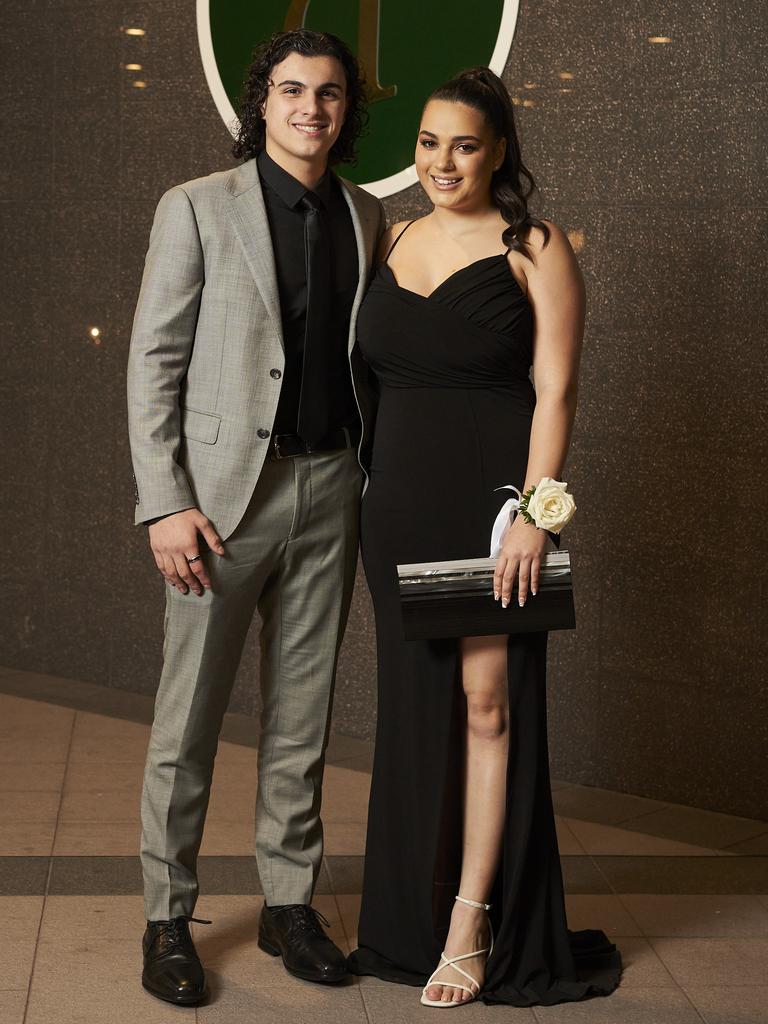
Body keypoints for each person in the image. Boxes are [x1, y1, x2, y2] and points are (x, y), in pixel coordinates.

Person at [346, 68, 622, 1007]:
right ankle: (407, 917)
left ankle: (471, 922)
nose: (443, 162)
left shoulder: (534, 244)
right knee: (415, 709)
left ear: (499, 148)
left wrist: (535, 521)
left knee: (488, 701)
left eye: (464, 144)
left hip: (495, 510)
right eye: (428, 143)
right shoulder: (391, 235)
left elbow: (558, 390)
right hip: (398, 508)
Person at [126, 29, 385, 1006]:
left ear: (345, 109)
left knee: (303, 713)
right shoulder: (196, 206)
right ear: (261, 102)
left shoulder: (368, 215)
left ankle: (288, 904)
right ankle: (166, 916)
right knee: (188, 717)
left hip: (331, 491)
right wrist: (167, 501)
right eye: (291, 90)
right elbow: (153, 358)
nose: (310, 107)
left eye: (327, 92)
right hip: (219, 502)